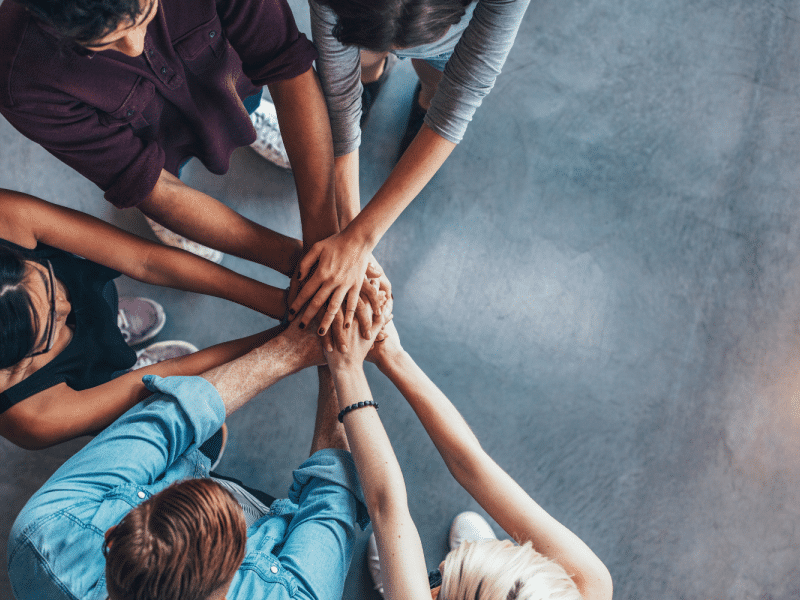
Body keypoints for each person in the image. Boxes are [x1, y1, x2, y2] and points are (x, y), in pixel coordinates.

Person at [7, 314, 372, 600]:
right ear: (226, 590)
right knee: (197, 437)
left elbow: (166, 420)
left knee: (190, 432)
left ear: (113, 536)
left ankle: (199, 456)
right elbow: (330, 498)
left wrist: (292, 348)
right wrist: (340, 363)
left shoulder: (44, 533)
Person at [0, 0, 341, 268]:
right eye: (105, 42)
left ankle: (249, 116)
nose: (134, 47)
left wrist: (325, 243)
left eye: (145, 13)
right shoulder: (19, 78)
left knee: (244, 106)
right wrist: (297, 261)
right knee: (155, 178)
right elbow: (149, 182)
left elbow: (285, 66)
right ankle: (163, 217)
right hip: (150, 147)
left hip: (229, 83)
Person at [323, 314, 614, 599]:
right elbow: (470, 463)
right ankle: (460, 575)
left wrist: (346, 367)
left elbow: (385, 505)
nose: (441, 564)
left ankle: (398, 586)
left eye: (441, 585)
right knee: (412, 556)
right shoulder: (589, 585)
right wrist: (391, 353)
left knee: (402, 571)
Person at [0, 187, 315, 450]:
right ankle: (125, 370)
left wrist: (283, 304)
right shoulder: (31, 417)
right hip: (83, 383)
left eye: (49, 284)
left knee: (101, 302)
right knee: (146, 394)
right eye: (51, 327)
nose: (68, 306)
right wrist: (290, 337)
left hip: (93, 298)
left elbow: (147, 261)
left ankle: (111, 321)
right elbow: (174, 370)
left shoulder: (7, 217)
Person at [285, 0, 529, 337]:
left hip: (446, 48)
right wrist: (352, 238)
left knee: (438, 84)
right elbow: (339, 97)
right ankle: (372, 76)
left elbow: (458, 101)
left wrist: (359, 242)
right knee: (363, 63)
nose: (400, 51)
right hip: (366, 32)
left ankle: (421, 95)